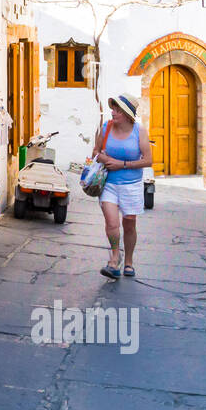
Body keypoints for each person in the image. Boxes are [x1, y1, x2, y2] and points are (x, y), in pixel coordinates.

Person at [92, 93, 152, 279]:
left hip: (132, 185)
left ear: (127, 114)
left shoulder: (139, 131)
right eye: (113, 108)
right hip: (109, 183)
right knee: (111, 223)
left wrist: (123, 164)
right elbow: (95, 152)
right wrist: (107, 159)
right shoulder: (106, 128)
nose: (113, 112)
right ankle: (115, 258)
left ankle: (129, 261)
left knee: (130, 224)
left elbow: (149, 161)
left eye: (117, 110)